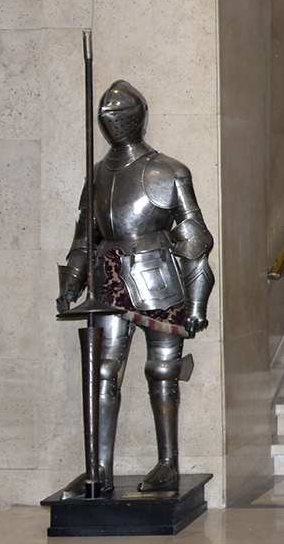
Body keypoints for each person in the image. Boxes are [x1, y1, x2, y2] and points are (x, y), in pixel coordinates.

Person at [55, 81, 214, 493]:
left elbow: (195, 240)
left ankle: (168, 463)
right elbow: (84, 237)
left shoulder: (169, 170)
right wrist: (72, 280)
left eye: (121, 115)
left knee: (161, 371)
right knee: (103, 372)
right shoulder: (97, 174)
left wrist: (197, 303)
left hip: (157, 274)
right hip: (106, 275)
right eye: (109, 117)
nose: (115, 123)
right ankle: (99, 470)